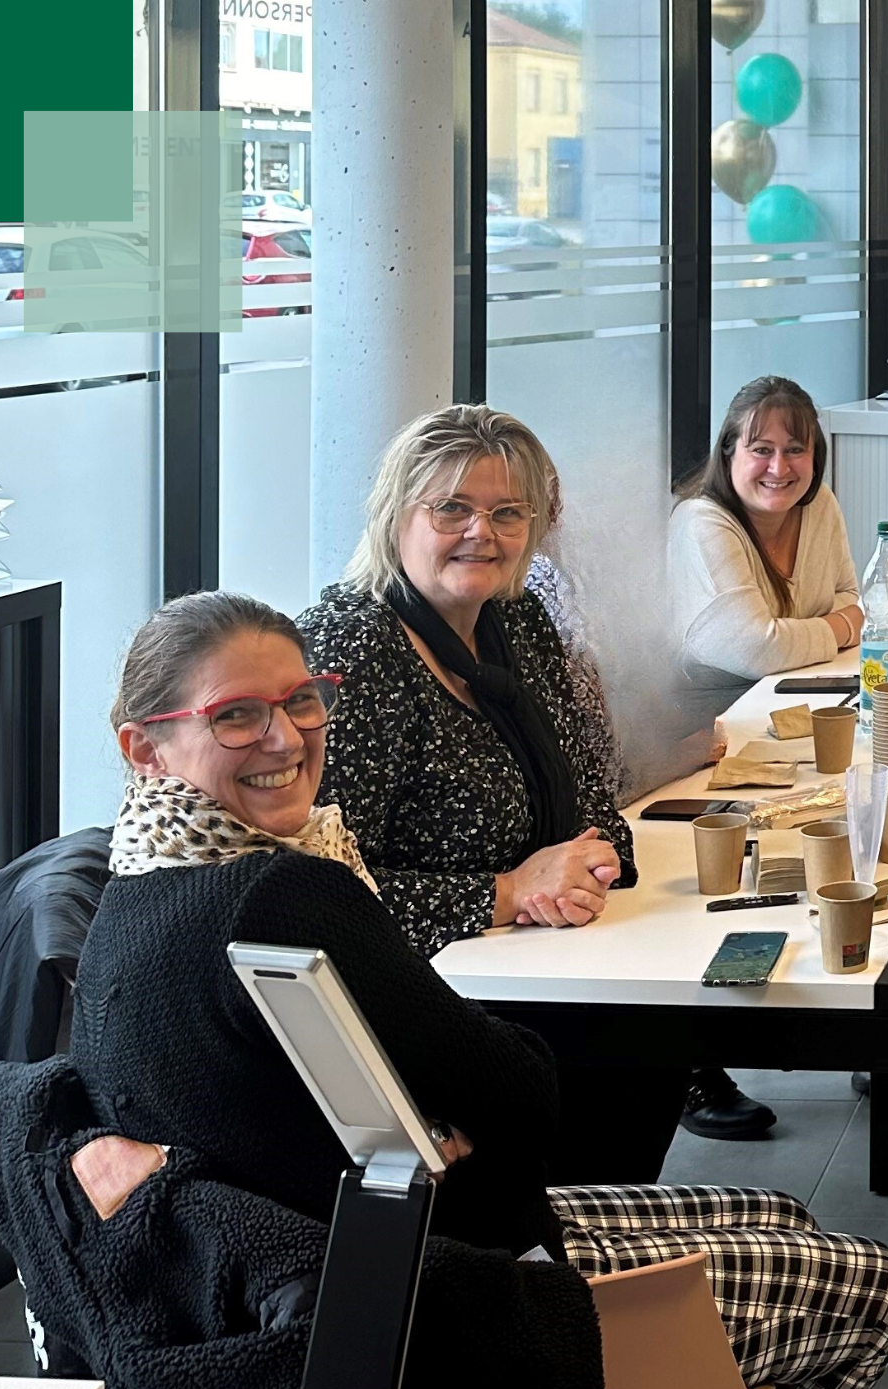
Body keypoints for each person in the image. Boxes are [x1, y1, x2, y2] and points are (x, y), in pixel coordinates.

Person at [66, 590, 888, 1389]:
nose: (286, 738)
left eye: (302, 700)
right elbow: (521, 1094)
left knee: (778, 1211)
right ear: (143, 748)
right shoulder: (284, 892)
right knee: (874, 1284)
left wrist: (436, 1113)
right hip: (448, 1308)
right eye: (235, 715)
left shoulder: (134, 885)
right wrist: (447, 1111)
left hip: (331, 1274)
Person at [298, 405, 725, 1176]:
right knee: (638, 1054)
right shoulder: (354, 649)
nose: (480, 534)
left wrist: (587, 860)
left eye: (506, 513)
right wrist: (506, 892)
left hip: (543, 961)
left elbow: (591, 788)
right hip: (424, 994)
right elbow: (320, 887)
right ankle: (550, 1264)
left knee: (666, 1038)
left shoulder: (514, 618)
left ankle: (584, 1263)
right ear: (396, 517)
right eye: (452, 509)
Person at [669, 375, 864, 733]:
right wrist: (843, 626)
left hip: (805, 707)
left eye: (794, 450)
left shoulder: (819, 503)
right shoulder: (700, 522)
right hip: (714, 731)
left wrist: (790, 637)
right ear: (728, 451)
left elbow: (849, 596)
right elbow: (757, 650)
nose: (779, 468)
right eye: (761, 449)